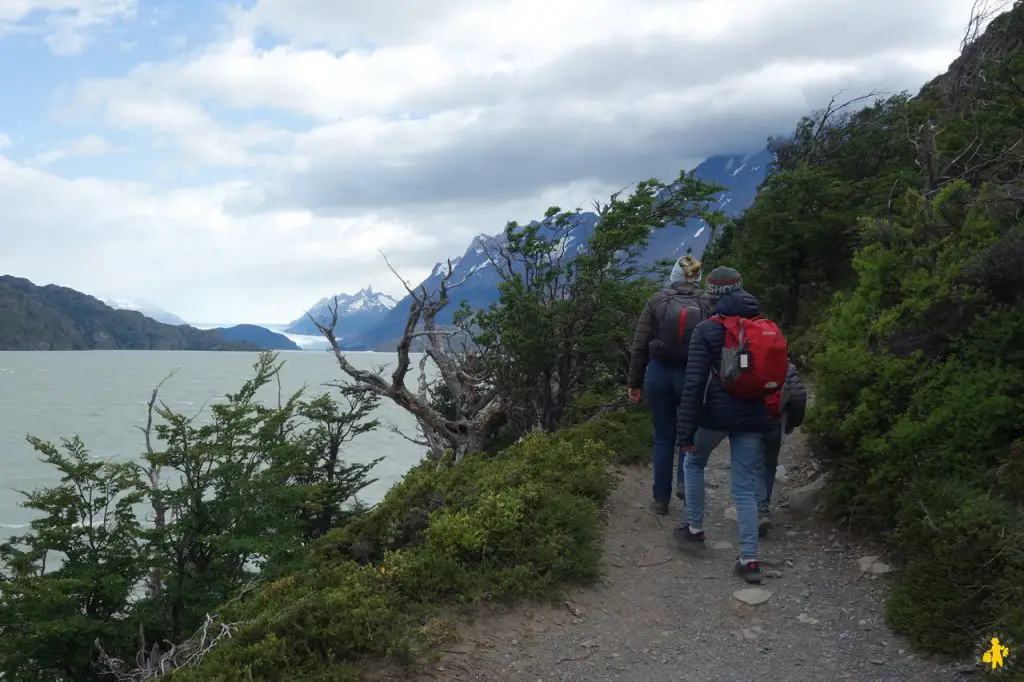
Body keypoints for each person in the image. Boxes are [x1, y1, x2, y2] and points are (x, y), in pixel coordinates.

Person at [674, 265, 780, 584]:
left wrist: (685, 432)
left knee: (694, 462)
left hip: (715, 416)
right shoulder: (762, 326)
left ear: (713, 294)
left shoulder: (706, 330)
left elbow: (693, 385)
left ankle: (694, 529)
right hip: (752, 415)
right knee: (745, 487)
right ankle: (749, 560)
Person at [627, 255, 712, 515]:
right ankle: (685, 483)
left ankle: (660, 499)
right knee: (688, 435)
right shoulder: (709, 302)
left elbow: (640, 345)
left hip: (659, 374)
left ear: (674, 274)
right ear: (698, 276)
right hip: (692, 375)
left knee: (663, 436)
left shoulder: (657, 300)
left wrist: (634, 382)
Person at [757, 357, 807, 537]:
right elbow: (798, 397)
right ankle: (762, 509)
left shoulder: (747, 356)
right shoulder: (786, 365)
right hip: (776, 419)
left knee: (751, 463)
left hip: (750, 418)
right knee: (769, 465)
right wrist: (792, 423)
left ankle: (751, 509)